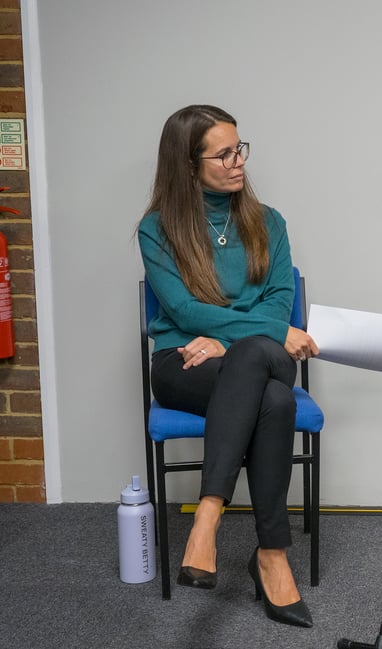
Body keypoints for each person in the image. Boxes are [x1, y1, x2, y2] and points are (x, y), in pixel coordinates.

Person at [138, 105, 319, 628]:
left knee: (253, 357)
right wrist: (245, 335)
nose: (237, 161)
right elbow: (182, 310)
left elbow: (280, 300)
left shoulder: (269, 222)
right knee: (275, 399)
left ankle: (208, 516)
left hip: (254, 357)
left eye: (240, 148)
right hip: (184, 364)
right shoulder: (159, 229)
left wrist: (228, 340)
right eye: (222, 154)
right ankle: (272, 556)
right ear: (187, 165)